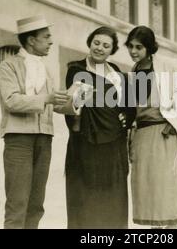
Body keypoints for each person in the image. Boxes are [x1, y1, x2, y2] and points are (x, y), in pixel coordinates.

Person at [125, 26, 177, 229]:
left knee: (168, 188)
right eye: (130, 46)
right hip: (142, 138)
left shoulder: (167, 65)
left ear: (149, 48)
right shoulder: (134, 72)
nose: (133, 51)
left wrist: (175, 99)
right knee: (149, 189)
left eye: (139, 47)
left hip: (165, 135)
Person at [0, 15, 72, 229]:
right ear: (31, 40)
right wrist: (47, 98)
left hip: (44, 139)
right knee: (17, 203)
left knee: (36, 204)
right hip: (18, 139)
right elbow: (11, 101)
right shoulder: (8, 66)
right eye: (46, 37)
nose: (51, 41)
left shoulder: (45, 69)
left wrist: (74, 102)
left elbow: (53, 105)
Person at [63, 26, 134, 229]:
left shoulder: (117, 73)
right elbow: (74, 104)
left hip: (115, 143)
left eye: (106, 45)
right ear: (89, 42)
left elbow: (127, 103)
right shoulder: (77, 69)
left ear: (112, 50)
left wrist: (124, 118)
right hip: (87, 141)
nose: (100, 48)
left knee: (113, 197)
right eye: (96, 43)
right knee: (86, 197)